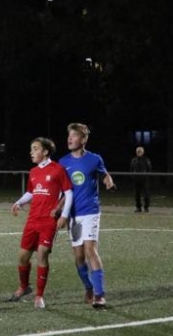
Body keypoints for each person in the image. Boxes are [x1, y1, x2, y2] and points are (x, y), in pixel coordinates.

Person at [10, 137, 73, 309]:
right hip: (33, 220)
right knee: (23, 257)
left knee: (42, 254)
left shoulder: (58, 170)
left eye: (35, 149)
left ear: (45, 152)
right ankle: (24, 287)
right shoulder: (33, 172)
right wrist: (19, 202)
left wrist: (64, 215)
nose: (31, 152)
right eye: (31, 149)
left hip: (48, 221)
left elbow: (68, 193)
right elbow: (31, 192)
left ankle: (39, 296)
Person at [58, 122, 115, 308]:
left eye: (74, 135)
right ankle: (89, 287)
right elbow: (63, 191)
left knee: (91, 251)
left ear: (83, 139)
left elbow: (105, 174)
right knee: (79, 257)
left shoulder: (94, 159)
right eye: (69, 135)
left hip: (90, 211)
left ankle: (99, 295)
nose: (70, 138)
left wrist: (108, 182)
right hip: (73, 216)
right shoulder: (63, 163)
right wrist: (59, 208)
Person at [130, 146, 151, 213]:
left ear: (143, 152)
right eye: (138, 151)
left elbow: (149, 169)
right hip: (136, 180)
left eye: (140, 151)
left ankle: (146, 208)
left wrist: (147, 177)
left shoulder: (146, 160)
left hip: (144, 180)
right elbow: (131, 169)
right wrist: (133, 177)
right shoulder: (134, 160)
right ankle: (138, 208)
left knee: (146, 194)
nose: (139, 153)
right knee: (137, 195)